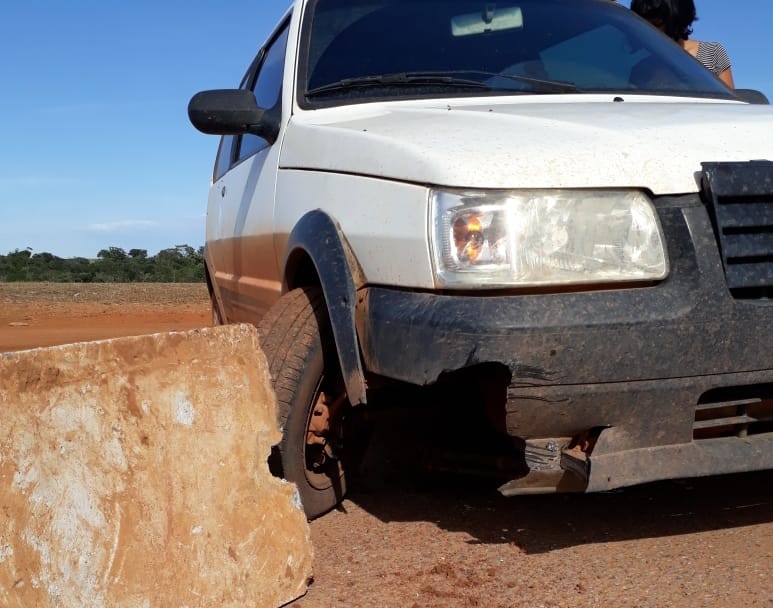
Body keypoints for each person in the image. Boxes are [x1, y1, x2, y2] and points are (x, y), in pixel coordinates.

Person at [630, 0, 735, 88]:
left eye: (656, 23)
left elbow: (729, 106)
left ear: (677, 18)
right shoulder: (640, 69)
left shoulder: (711, 53)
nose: (649, 29)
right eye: (643, 24)